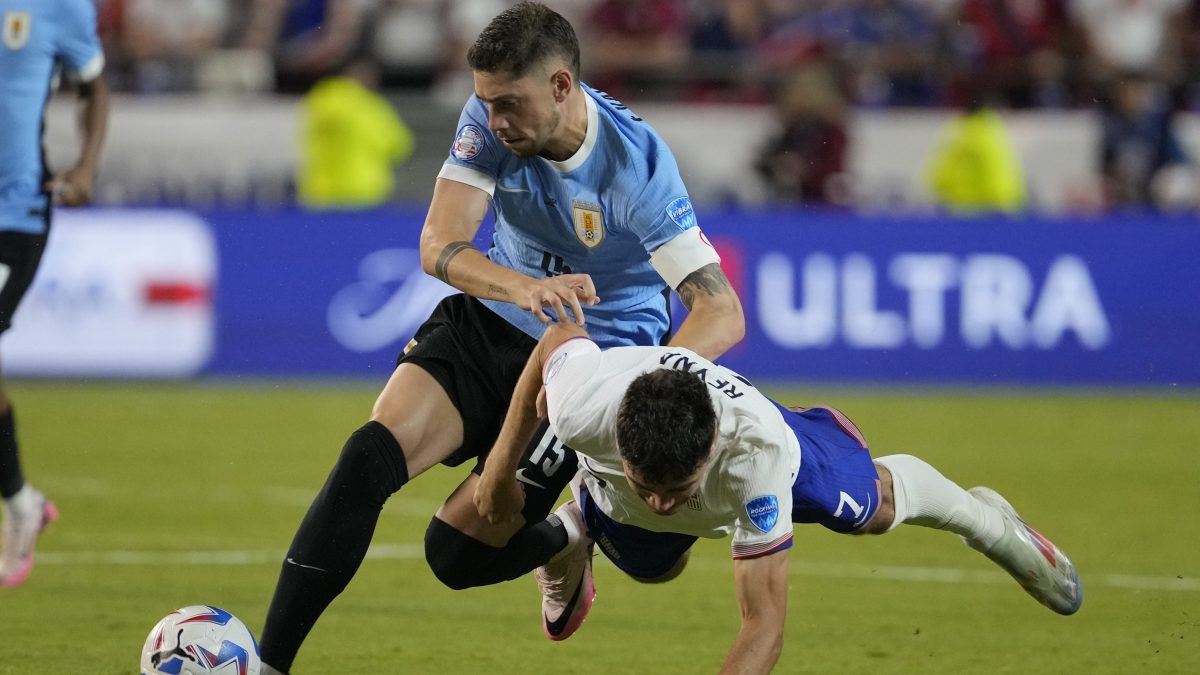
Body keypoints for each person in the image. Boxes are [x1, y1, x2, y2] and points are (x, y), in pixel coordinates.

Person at [257, 3, 745, 673]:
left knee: (452, 556)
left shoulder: (636, 169)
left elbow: (720, 311)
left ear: (562, 86)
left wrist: (646, 388)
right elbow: (439, 244)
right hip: (491, 322)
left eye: (509, 103)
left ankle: (565, 537)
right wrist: (522, 288)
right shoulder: (488, 119)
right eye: (486, 102)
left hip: (585, 363)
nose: (495, 120)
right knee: (366, 457)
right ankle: (267, 664)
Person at [475, 321, 1082, 671]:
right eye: (646, 485)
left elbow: (763, 626)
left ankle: (991, 525)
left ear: (710, 448)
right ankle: (581, 519)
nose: (661, 503)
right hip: (624, 474)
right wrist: (501, 469)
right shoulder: (583, 408)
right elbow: (558, 337)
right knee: (655, 566)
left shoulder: (757, 460)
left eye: (676, 490)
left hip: (782, 444)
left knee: (871, 511)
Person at [0, 0, 110, 587]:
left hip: (14, 213)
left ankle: (19, 503)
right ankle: (20, 500)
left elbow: (94, 86)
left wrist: (86, 166)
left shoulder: (57, 6)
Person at [296, 59, 415, 210]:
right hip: (335, 192)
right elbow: (398, 145)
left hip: (362, 191)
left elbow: (400, 144)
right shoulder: (334, 96)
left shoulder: (373, 104)